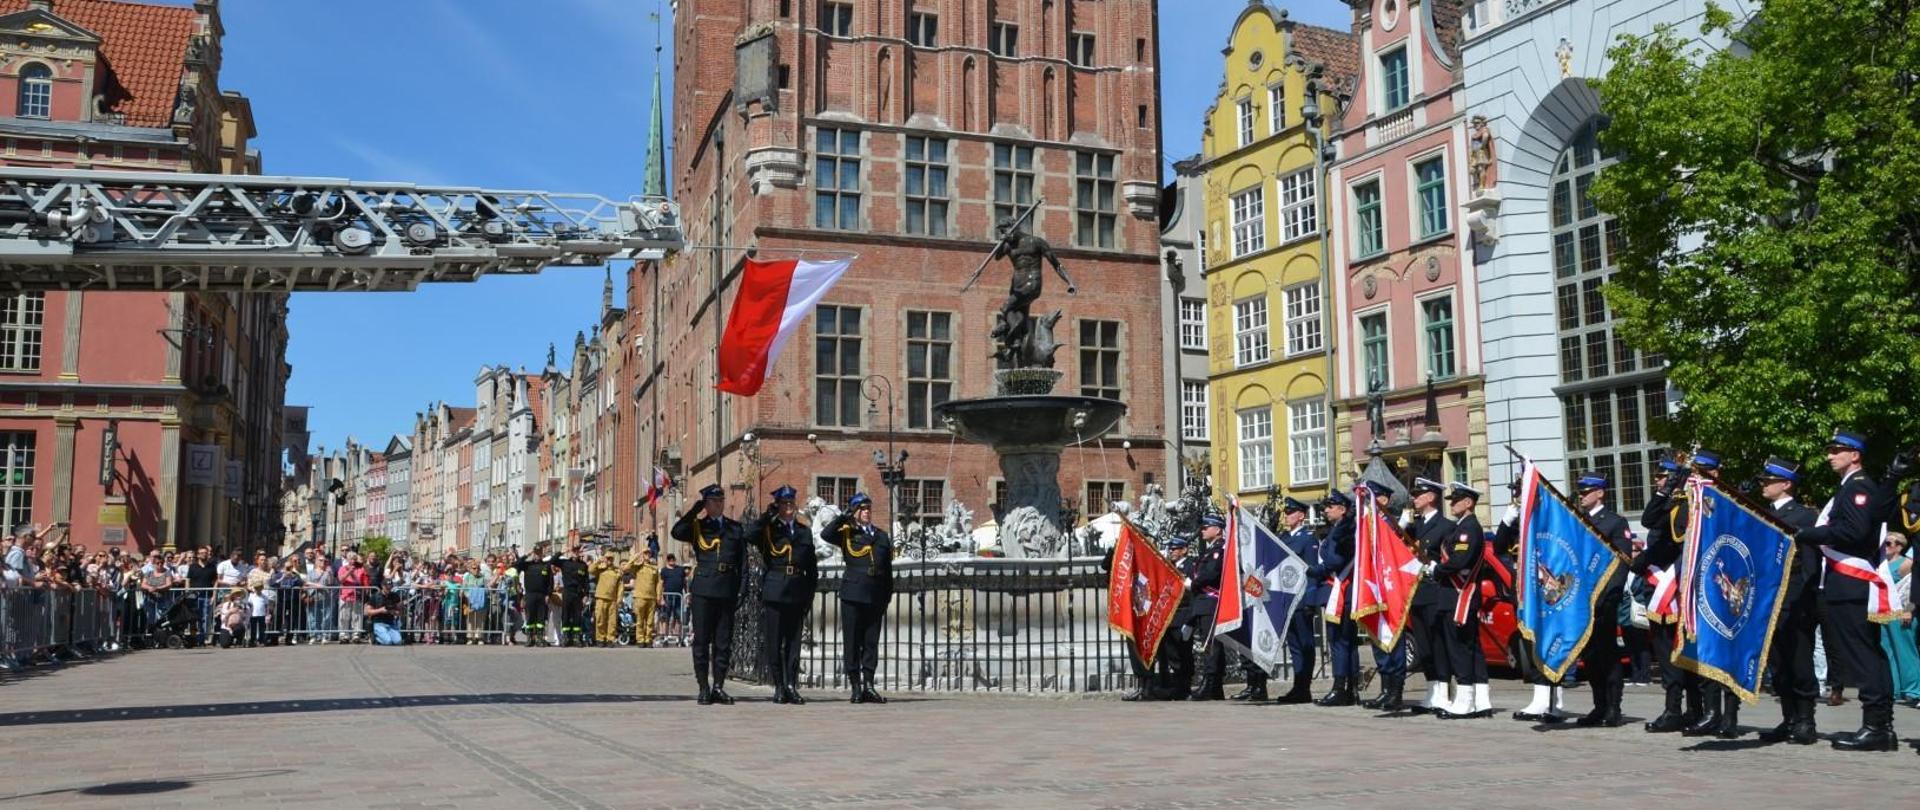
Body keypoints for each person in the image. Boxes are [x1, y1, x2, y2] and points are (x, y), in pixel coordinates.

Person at [1795, 430, 1895, 751]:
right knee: (1867, 655)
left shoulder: (1859, 487)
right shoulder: (1848, 487)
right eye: (1830, 450)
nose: (1830, 455)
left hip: (1852, 583)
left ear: (1855, 455)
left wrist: (1808, 534)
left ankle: (1876, 726)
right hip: (1846, 583)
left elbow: (1854, 532)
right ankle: (1879, 725)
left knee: (1864, 656)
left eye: (1837, 450)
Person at [1631, 453, 1703, 733]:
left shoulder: (1683, 506)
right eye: (1661, 477)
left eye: (1665, 477)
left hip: (1675, 589)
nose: (1660, 481)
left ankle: (1688, 710)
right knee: (1665, 653)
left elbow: (1668, 536)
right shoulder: (1667, 501)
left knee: (1680, 652)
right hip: (1659, 588)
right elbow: (1650, 518)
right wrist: (1665, 492)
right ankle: (1676, 708)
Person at [1755, 456, 1822, 744]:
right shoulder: (1760, 515)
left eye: (1768, 481)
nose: (1763, 485)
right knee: (1778, 664)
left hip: (1795, 601)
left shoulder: (1804, 516)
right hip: (1769, 603)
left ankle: (1806, 720)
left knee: (1799, 662)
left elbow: (1809, 565)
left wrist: (1798, 601)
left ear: (1786, 484)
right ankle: (1789, 718)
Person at [672, 483, 747, 705]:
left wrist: (742, 589)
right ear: (707, 504)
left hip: (726, 588)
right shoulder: (698, 527)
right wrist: (695, 511)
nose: (719, 504)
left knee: (723, 642)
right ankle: (703, 686)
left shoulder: (735, 528)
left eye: (721, 501)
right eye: (714, 501)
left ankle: (719, 686)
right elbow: (676, 532)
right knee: (702, 641)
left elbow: (743, 563)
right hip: (704, 589)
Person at [749, 485, 820, 705]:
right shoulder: (769, 530)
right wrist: (766, 516)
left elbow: (812, 567)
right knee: (775, 640)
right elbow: (748, 534)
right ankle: (778, 685)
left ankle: (791, 684)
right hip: (775, 589)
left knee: (794, 642)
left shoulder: (803, 531)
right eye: (784, 504)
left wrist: (809, 594)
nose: (789, 508)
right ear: (778, 506)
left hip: (797, 590)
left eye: (791, 503)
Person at [1572, 472, 1632, 728]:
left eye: (1586, 492)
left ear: (1600, 493)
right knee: (1591, 656)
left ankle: (1613, 707)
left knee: (1607, 654)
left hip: (1604, 600)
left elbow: (1622, 562)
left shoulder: (1615, 523)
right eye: (1580, 492)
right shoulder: (1577, 522)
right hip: (1582, 601)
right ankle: (1598, 705)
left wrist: (1609, 595)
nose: (1582, 496)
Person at [825, 492, 894, 704]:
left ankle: (869, 685)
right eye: (861, 510)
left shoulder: (881, 536)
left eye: (868, 509)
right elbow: (825, 535)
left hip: (875, 595)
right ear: (855, 512)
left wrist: (886, 596)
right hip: (853, 595)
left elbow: (887, 570)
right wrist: (844, 517)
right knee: (852, 641)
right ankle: (855, 685)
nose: (866, 513)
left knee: (871, 642)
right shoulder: (847, 533)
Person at [1436, 482, 1492, 719]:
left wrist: (1437, 570)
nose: (1452, 504)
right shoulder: (1462, 527)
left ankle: (1465, 700)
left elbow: (1459, 560)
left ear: (1468, 503)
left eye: (1456, 500)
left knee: (1459, 647)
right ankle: (1481, 700)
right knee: (1471, 647)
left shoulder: (1468, 528)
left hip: (1460, 595)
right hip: (1459, 594)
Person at [1404, 477, 1456, 715]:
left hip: (1435, 591)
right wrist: (1403, 526)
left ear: (1431, 497)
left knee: (1438, 643)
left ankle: (1444, 692)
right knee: (1424, 646)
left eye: (1418, 494)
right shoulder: (1415, 526)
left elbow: (1449, 559)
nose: (1414, 499)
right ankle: (1432, 689)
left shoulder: (1446, 526)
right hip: (1416, 592)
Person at [1274, 497, 1324, 704]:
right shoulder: (1283, 538)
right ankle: (1297, 686)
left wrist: (1311, 600)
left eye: (1291, 512)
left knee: (1305, 643)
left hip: (1302, 599)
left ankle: (1304, 686)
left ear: (1301, 515)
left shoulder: (1308, 539)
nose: (1286, 516)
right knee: (1293, 644)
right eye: (1286, 512)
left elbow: (1312, 571)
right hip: (1286, 599)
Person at [1313, 492, 1359, 707]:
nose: (1326, 510)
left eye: (1331, 506)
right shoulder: (1337, 529)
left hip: (1344, 590)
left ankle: (1342, 688)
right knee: (1343, 641)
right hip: (1339, 590)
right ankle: (1349, 688)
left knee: (1341, 641)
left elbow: (1336, 560)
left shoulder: (1346, 530)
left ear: (1342, 509)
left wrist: (1318, 569)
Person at [1185, 513, 1229, 701]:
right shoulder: (1210, 550)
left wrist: (1192, 583)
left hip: (1211, 603)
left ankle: (1211, 684)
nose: (1202, 530)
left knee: (1211, 645)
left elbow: (1211, 574)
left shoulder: (1219, 550)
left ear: (1217, 530)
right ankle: (1214, 686)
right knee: (1209, 645)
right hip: (1204, 604)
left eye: (1206, 527)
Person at [1877, 532, 1920, 703]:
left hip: (1902, 611)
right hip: (1883, 612)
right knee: (1886, 651)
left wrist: (1910, 609)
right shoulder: (1881, 564)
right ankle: (1892, 689)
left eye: (1888, 543)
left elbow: (1913, 587)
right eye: (1884, 543)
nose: (1885, 546)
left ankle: (1914, 690)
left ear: (1899, 546)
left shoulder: (1906, 563)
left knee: (1905, 651)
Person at [590, 550, 638, 647]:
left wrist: (619, 599)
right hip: (601, 597)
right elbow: (590, 570)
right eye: (607, 559)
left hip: (612, 599)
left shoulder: (617, 571)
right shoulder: (600, 569)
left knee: (612, 621)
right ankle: (600, 639)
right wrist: (599, 561)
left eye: (611, 559)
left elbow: (620, 586)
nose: (609, 561)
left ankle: (610, 639)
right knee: (600, 619)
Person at [513, 543, 556, 647]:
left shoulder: (546, 566)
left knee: (541, 618)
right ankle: (530, 638)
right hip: (530, 594)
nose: (537, 555)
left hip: (542, 595)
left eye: (539, 553)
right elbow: (516, 564)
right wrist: (526, 555)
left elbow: (551, 582)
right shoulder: (527, 565)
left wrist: (548, 595)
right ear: (533, 554)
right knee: (530, 617)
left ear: (542, 554)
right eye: (535, 553)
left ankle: (540, 638)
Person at [556, 546, 591, 647]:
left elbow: (586, 581)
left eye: (577, 551)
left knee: (577, 616)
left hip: (578, 593)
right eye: (574, 551)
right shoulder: (565, 563)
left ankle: (576, 638)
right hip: (567, 592)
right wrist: (561, 552)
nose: (575, 553)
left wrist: (586, 595)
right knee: (566, 615)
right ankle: (566, 637)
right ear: (571, 552)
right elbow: (552, 561)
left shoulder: (583, 565)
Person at [628, 550, 662, 647]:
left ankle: (648, 639)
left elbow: (659, 583)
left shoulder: (654, 568)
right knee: (640, 620)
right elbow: (627, 567)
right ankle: (640, 639)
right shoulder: (637, 567)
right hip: (640, 596)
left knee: (650, 621)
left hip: (651, 597)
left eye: (648, 553)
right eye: (645, 553)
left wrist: (659, 596)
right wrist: (637, 555)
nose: (647, 555)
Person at [659, 553, 688, 644]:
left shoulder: (680, 570)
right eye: (669, 559)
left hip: (678, 596)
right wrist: (661, 598)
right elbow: (661, 584)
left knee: (678, 617)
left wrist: (686, 595)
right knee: (665, 617)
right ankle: (665, 636)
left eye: (673, 559)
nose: (671, 560)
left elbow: (684, 583)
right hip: (667, 596)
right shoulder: (664, 571)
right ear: (667, 560)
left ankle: (678, 637)